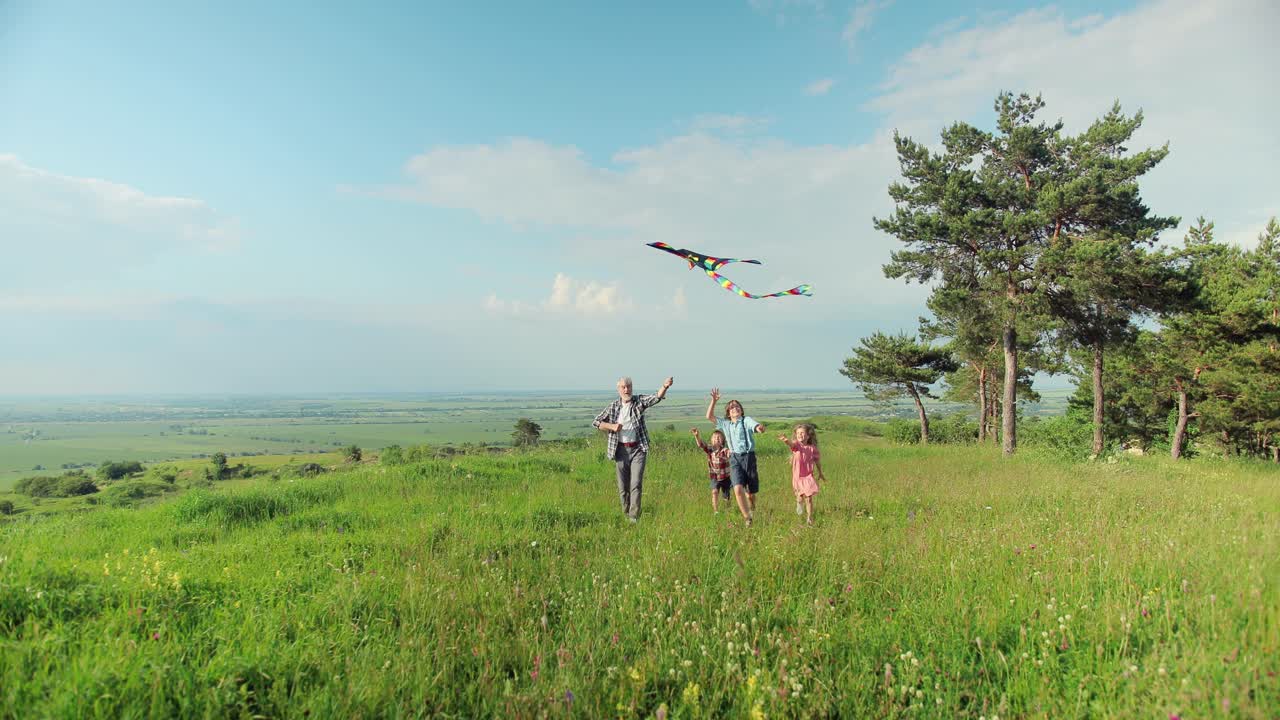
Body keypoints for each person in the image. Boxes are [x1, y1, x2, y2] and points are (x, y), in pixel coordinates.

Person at [592, 376, 673, 522]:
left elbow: (655, 398)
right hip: (620, 451)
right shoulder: (613, 407)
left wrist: (665, 386)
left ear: (632, 388)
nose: (626, 389)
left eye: (628, 386)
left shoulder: (638, 402)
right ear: (619, 389)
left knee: (636, 483)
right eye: (623, 387)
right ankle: (625, 511)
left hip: (638, 449)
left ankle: (633, 516)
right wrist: (612, 427)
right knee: (623, 487)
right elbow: (596, 422)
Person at [705, 388, 764, 526]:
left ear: (741, 410)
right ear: (728, 413)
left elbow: (755, 426)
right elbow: (709, 416)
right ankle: (747, 518)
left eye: (736, 406)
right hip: (734, 458)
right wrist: (713, 401)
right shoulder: (725, 424)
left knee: (750, 493)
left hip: (749, 457)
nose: (734, 409)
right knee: (737, 488)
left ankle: (752, 506)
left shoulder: (746, 420)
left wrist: (759, 428)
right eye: (731, 408)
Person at [779, 423, 824, 526]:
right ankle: (799, 503)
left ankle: (809, 518)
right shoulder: (797, 446)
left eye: (802, 433)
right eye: (798, 433)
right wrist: (786, 441)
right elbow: (791, 444)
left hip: (808, 477)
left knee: (808, 498)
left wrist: (820, 473)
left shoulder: (812, 449)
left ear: (808, 436)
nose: (800, 435)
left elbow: (817, 461)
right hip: (797, 477)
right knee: (799, 497)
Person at [691, 427, 731, 514]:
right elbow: (701, 444)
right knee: (714, 492)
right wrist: (697, 436)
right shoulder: (710, 449)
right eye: (715, 437)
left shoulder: (724, 450)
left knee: (726, 497)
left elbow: (729, 453)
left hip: (726, 477)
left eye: (719, 438)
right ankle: (716, 511)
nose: (717, 439)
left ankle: (727, 510)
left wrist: (732, 454)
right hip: (715, 477)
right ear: (711, 440)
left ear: (723, 440)